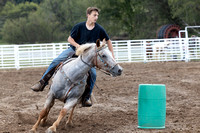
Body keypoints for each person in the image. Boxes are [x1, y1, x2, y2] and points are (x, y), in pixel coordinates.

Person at [31, 7, 115, 107]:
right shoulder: (79, 26)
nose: (96, 17)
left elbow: (108, 40)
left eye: (97, 15)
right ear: (88, 15)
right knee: (56, 61)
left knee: (93, 74)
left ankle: (86, 97)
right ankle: (42, 82)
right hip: (74, 50)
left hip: (88, 56)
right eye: (94, 15)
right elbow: (70, 39)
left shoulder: (99, 29)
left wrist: (112, 54)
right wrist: (78, 46)